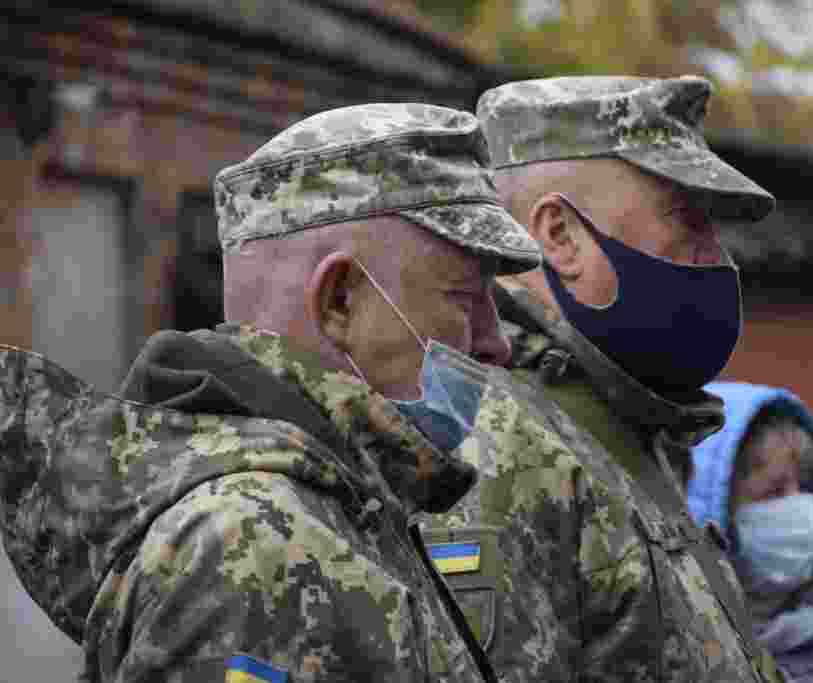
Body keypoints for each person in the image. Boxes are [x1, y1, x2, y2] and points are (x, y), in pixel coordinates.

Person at [0, 103, 542, 682]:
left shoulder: (348, 495)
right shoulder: (249, 545)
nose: (497, 342)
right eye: (463, 297)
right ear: (340, 301)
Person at [427, 76, 784, 682]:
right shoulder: (490, 451)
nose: (717, 257)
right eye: (687, 220)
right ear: (560, 236)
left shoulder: (627, 431)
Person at [688, 381, 813, 683]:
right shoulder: (681, 652)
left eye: (805, 485)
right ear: (717, 513)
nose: (798, 504)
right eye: (773, 490)